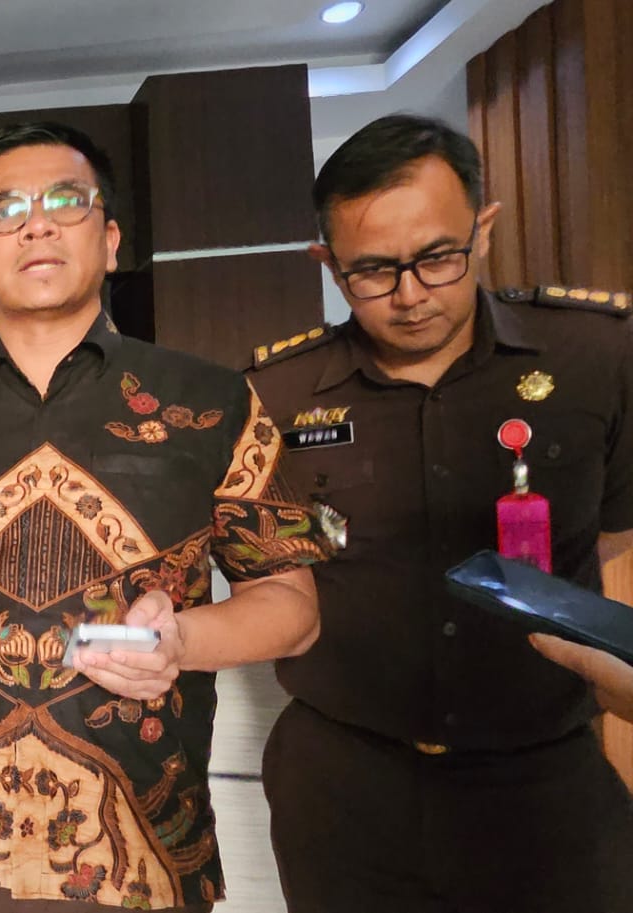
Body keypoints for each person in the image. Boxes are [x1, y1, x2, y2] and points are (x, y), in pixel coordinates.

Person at [0, 121, 331, 913]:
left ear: (109, 242)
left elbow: (294, 607)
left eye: (65, 200)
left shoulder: (211, 403)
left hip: (136, 859)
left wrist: (184, 640)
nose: (37, 224)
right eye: (5, 209)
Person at [247, 113, 633, 913]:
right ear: (328, 264)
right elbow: (273, 582)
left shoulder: (595, 357)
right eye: (372, 271)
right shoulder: (276, 395)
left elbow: (621, 547)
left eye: (437, 257)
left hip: (546, 778)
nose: (411, 294)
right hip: (346, 785)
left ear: (483, 230)